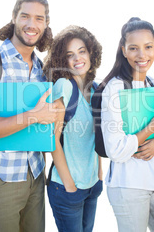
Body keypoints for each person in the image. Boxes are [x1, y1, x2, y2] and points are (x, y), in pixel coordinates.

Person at [0, 0, 57, 232]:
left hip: (35, 174)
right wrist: (34, 116)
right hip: (1, 177)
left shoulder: (41, 68)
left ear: (46, 24)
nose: (31, 24)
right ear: (14, 18)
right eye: (25, 16)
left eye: (39, 18)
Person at [99, 17, 154, 232]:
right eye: (134, 48)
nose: (142, 55)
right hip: (128, 184)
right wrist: (150, 129)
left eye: (148, 47)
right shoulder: (115, 88)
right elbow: (116, 150)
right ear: (124, 50)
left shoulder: (153, 85)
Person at [43, 25, 103, 232]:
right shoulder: (64, 86)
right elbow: (51, 139)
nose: (77, 58)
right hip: (67, 187)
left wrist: (99, 174)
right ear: (63, 60)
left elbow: (97, 139)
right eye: (70, 55)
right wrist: (69, 184)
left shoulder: (95, 88)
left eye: (82, 51)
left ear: (91, 52)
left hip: (92, 184)